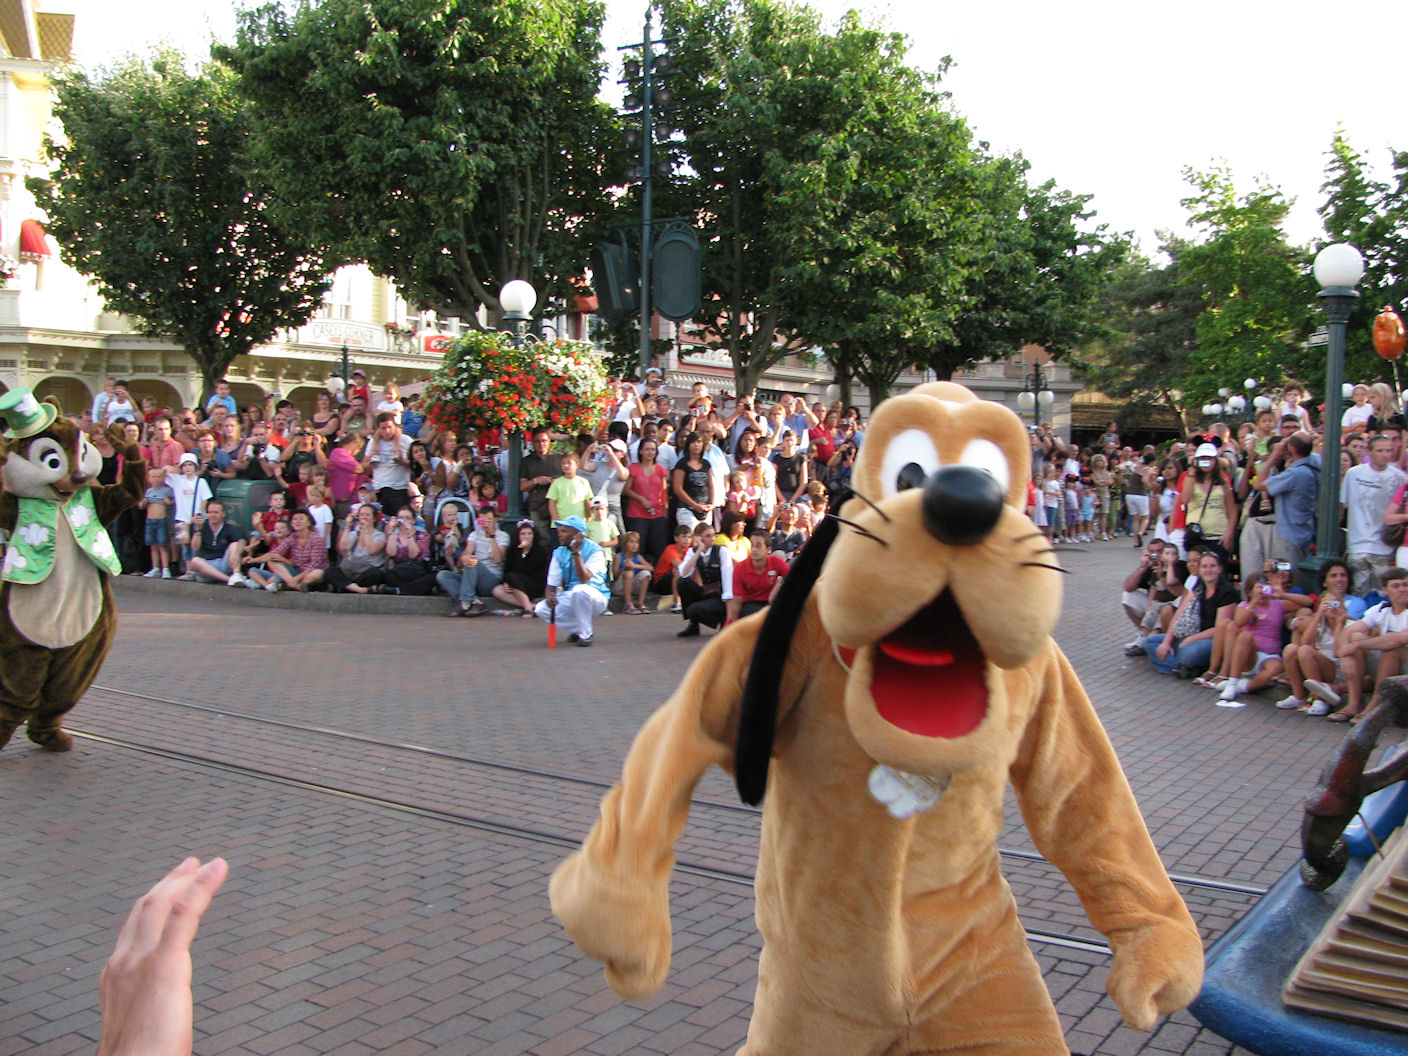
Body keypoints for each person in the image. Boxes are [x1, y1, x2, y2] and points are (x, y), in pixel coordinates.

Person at [1143, 550, 1238, 677]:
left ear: (1219, 569)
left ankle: (1178, 665)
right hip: (1190, 635)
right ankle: (1183, 669)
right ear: (1200, 570)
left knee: (1187, 654)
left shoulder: (1227, 592)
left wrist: (1191, 639)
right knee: (1149, 642)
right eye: (1204, 566)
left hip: (1212, 640)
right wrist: (1166, 642)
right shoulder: (1198, 587)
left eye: (1212, 566)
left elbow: (1220, 629)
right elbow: (1179, 614)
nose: (1208, 570)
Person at [1335, 566, 1408, 724]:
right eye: (1396, 586)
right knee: (1355, 637)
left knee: (1392, 648)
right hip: (1388, 667)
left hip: (1404, 667)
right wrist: (1346, 655)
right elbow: (1348, 632)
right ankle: (1354, 704)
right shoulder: (1382, 608)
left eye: (1406, 585)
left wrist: (1358, 645)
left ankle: (1375, 704)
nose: (1403, 589)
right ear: (1385, 590)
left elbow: (1400, 639)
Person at [1341, 433, 1406, 594]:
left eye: (1388, 450)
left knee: (1383, 593)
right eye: (1380, 450)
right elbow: (1343, 505)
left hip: (1384, 545)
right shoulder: (1354, 473)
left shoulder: (1399, 477)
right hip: (1357, 544)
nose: (1385, 455)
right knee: (1359, 590)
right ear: (1369, 452)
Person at [535, 515, 610, 647]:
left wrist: (576, 552)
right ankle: (577, 629)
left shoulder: (595, 551)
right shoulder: (558, 552)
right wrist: (550, 596)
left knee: (579, 590)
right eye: (559, 531)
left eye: (564, 531)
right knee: (541, 609)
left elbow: (584, 579)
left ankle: (586, 634)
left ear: (578, 535)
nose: (559, 535)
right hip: (572, 595)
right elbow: (551, 584)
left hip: (595, 596)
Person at [1259, 431, 1320, 566]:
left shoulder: (1294, 474)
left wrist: (1274, 454)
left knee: (1287, 574)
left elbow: (1259, 484)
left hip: (1289, 537)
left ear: (1292, 448)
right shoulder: (1316, 463)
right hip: (1306, 532)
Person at [675, 521, 734, 637]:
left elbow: (728, 576)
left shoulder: (722, 551)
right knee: (682, 582)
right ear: (698, 538)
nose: (712, 539)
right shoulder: (693, 552)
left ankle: (722, 619)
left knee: (693, 610)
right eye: (708, 536)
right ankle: (693, 625)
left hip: (719, 594)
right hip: (707, 591)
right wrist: (698, 550)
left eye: (713, 535)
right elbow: (684, 573)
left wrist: (727, 600)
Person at [321, 502, 387, 594]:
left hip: (368, 570)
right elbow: (343, 547)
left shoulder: (380, 535)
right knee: (330, 571)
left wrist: (366, 531)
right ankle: (359, 589)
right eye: (361, 515)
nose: (364, 517)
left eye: (367, 515)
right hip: (351, 569)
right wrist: (348, 526)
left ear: (374, 518)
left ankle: (345, 587)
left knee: (376, 574)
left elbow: (371, 551)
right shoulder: (354, 534)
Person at [728, 530, 788, 621]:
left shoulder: (777, 562)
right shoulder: (740, 568)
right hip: (751, 605)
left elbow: (793, 578)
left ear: (768, 549)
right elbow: (737, 600)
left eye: (758, 545)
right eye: (752, 545)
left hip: (773, 603)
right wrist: (732, 624)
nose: (754, 549)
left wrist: (779, 583)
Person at [492, 519, 548, 617]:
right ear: (518, 536)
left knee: (512, 576)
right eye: (523, 534)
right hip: (514, 583)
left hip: (534, 584)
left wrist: (523, 552)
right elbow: (507, 568)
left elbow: (525, 568)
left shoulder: (539, 551)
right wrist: (505, 583)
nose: (526, 536)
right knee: (497, 590)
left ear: (534, 535)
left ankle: (528, 610)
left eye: (529, 534)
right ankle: (531, 606)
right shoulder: (513, 550)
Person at [183, 500, 246, 586]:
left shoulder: (229, 528)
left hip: (223, 564)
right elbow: (195, 548)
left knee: (234, 545)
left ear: (223, 514)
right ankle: (231, 580)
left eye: (216, 512)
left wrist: (237, 554)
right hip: (206, 568)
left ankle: (236, 575)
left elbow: (242, 541)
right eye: (210, 512)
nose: (213, 515)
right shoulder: (202, 527)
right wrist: (198, 530)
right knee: (194, 561)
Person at [360, 413, 412, 515]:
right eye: (383, 428)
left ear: (395, 426)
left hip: (400, 488)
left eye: (390, 427)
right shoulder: (373, 442)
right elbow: (364, 467)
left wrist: (402, 461)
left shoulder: (405, 440)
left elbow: (414, 465)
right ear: (378, 429)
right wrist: (373, 458)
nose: (387, 431)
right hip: (379, 488)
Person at [266, 509, 329, 591]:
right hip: (297, 571)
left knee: (317, 573)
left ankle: (288, 585)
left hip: (310, 572)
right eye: (295, 519)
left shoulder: (316, 539)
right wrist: (253, 560)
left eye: (301, 519)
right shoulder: (292, 537)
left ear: (308, 522)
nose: (297, 521)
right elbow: (276, 552)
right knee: (271, 561)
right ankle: (296, 586)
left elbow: (315, 564)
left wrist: (296, 579)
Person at [518, 428, 561, 546]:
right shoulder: (527, 461)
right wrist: (536, 481)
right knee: (542, 540)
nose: (541, 444)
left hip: (559, 505)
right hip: (537, 506)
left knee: (560, 538)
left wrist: (556, 482)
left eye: (544, 440)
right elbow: (522, 486)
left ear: (549, 441)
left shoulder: (559, 458)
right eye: (537, 441)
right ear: (533, 443)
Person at [140, 465, 175, 579]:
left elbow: (173, 502)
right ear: (149, 478)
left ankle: (166, 569)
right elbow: (141, 506)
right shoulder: (148, 491)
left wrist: (169, 502)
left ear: (163, 478)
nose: (156, 479)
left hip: (161, 521)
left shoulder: (167, 490)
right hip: (150, 521)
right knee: (153, 546)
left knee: (163, 546)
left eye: (159, 476)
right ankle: (155, 568)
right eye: (153, 476)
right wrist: (144, 502)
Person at [616, 531, 655, 614]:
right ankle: (628, 604)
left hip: (633, 586)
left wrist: (634, 566)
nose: (634, 545)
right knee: (628, 573)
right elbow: (615, 576)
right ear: (625, 544)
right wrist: (624, 569)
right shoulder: (619, 556)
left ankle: (640, 603)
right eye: (631, 542)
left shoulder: (638, 557)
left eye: (637, 542)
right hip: (620, 587)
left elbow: (651, 568)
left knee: (646, 573)